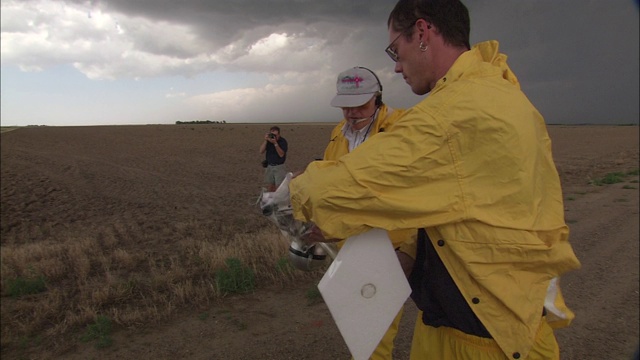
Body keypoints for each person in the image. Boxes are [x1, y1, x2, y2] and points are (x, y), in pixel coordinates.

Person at [289, 0, 581, 359]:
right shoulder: (503, 95)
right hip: (509, 318)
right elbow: (465, 203)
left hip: (481, 341)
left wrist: (292, 192)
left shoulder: (450, 114)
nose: (396, 66)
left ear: (424, 33)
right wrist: (413, 253)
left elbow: (330, 192)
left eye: (396, 49)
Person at [321, 66, 416, 360]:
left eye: (360, 104)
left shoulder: (404, 128)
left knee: (374, 337)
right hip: (350, 247)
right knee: (360, 330)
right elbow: (331, 182)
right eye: (345, 106)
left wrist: (410, 249)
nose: (351, 113)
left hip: (389, 247)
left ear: (378, 98)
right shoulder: (338, 133)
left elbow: (424, 191)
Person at [259, 126, 288, 192]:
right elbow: (261, 151)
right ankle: (271, 200)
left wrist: (275, 143)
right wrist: (266, 140)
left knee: (279, 187)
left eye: (275, 135)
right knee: (271, 186)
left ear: (279, 134)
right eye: (272, 134)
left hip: (279, 167)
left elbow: (281, 154)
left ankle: (278, 200)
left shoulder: (282, 141)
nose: (273, 136)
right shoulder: (268, 141)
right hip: (269, 166)